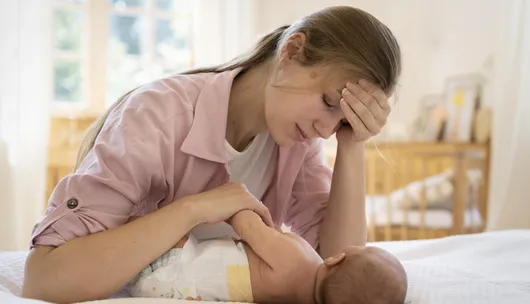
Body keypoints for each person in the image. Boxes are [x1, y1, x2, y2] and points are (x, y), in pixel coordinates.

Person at [22, 5, 402, 303]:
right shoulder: (155, 116)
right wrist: (195, 209)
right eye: (328, 102)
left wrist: (353, 144)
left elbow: (336, 276)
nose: (325, 129)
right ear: (292, 50)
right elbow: (45, 278)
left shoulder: (298, 143)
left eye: (342, 121)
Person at [127, 210, 408, 303]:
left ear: (335, 259)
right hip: (172, 290)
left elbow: (248, 228)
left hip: (173, 265)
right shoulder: (302, 298)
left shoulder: (300, 258)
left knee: (154, 220)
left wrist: (241, 205)